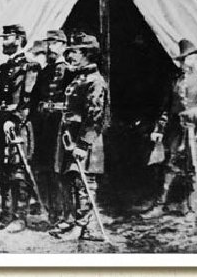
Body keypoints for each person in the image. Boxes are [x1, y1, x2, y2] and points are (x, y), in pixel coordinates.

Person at [141, 38, 197, 218]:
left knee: (193, 167)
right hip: (176, 129)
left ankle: (191, 208)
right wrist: (158, 129)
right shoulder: (175, 79)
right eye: (182, 60)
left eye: (187, 59)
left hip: (196, 130)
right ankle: (161, 205)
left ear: (196, 59)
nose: (183, 63)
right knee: (169, 165)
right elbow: (166, 107)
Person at [50, 32, 110, 241]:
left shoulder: (95, 80)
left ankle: (83, 227)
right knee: (68, 179)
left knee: (84, 183)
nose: (70, 56)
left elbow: (95, 116)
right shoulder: (78, 77)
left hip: (85, 139)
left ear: (86, 54)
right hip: (69, 136)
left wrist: (83, 144)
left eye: (74, 52)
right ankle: (72, 220)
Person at [0, 24, 36, 232]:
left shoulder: (30, 66)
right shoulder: (3, 68)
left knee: (18, 172)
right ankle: (4, 216)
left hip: (17, 126)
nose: (4, 42)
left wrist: (14, 119)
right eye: (3, 38)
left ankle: (20, 218)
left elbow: (28, 100)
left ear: (20, 39)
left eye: (8, 38)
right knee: (1, 171)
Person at [29, 29, 75, 224]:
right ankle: (50, 212)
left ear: (63, 46)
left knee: (59, 171)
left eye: (54, 43)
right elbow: (34, 99)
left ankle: (66, 214)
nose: (50, 47)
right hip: (43, 126)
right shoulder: (44, 72)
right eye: (48, 43)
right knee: (43, 169)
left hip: (59, 126)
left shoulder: (70, 72)